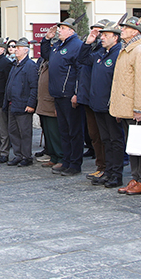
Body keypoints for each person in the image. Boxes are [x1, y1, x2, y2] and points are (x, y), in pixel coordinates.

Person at [109, 14, 141, 194]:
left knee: (140, 146)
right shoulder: (127, 49)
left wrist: (138, 109)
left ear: (135, 31)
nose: (122, 30)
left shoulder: (139, 51)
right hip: (125, 106)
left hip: (134, 108)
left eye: (125, 28)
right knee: (132, 146)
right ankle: (136, 179)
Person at [41, 17, 85, 176]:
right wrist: (47, 38)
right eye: (59, 28)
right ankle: (66, 160)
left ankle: (75, 164)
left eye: (63, 28)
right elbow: (45, 54)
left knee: (74, 131)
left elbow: (80, 71)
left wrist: (76, 93)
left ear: (71, 31)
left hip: (69, 95)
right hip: (57, 95)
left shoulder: (77, 45)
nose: (59, 30)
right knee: (64, 131)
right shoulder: (58, 45)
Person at [87, 22, 124, 189]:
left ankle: (116, 174)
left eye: (105, 35)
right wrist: (89, 43)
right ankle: (108, 171)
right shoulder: (102, 52)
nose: (101, 38)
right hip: (98, 104)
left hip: (111, 105)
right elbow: (83, 60)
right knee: (106, 140)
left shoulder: (118, 54)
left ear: (115, 37)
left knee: (115, 140)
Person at [77, 20, 109, 180]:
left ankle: (107, 168)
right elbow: (81, 59)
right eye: (94, 32)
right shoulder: (94, 49)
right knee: (94, 135)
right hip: (88, 97)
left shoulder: (107, 51)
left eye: (100, 32)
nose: (97, 35)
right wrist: (88, 42)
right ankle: (100, 165)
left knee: (106, 137)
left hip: (102, 99)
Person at [3, 37, 39, 166]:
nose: (15, 50)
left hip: (23, 105)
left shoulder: (30, 66)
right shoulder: (15, 64)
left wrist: (31, 104)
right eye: (15, 48)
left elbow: (34, 87)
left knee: (24, 132)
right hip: (13, 104)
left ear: (26, 51)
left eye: (18, 48)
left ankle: (26, 156)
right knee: (13, 132)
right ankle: (18, 155)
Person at [35, 29, 62, 165]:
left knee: (55, 133)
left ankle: (60, 157)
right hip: (43, 103)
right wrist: (46, 38)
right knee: (48, 133)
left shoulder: (54, 63)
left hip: (51, 103)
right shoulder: (44, 62)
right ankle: (53, 157)